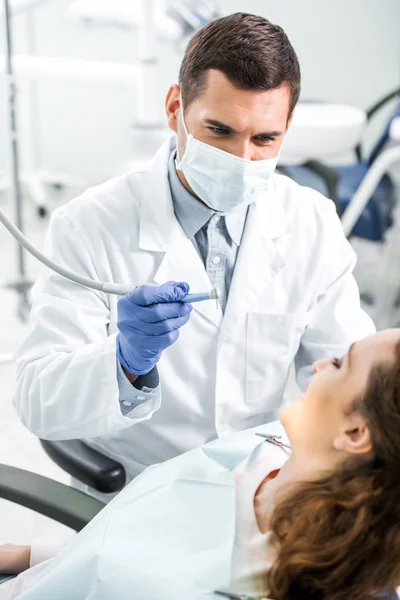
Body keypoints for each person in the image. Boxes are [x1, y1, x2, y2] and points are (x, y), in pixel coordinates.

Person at [15, 12, 374, 493]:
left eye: (265, 138)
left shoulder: (311, 222)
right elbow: (38, 399)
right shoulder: (89, 225)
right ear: (174, 108)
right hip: (137, 495)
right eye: (219, 131)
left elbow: (349, 379)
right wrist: (124, 364)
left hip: (258, 489)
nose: (241, 161)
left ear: (288, 126)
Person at [3, 329, 400, 600]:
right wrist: (26, 555)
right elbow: (140, 539)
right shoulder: (261, 451)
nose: (316, 366)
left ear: (355, 433)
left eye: (338, 363)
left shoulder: (279, 581)